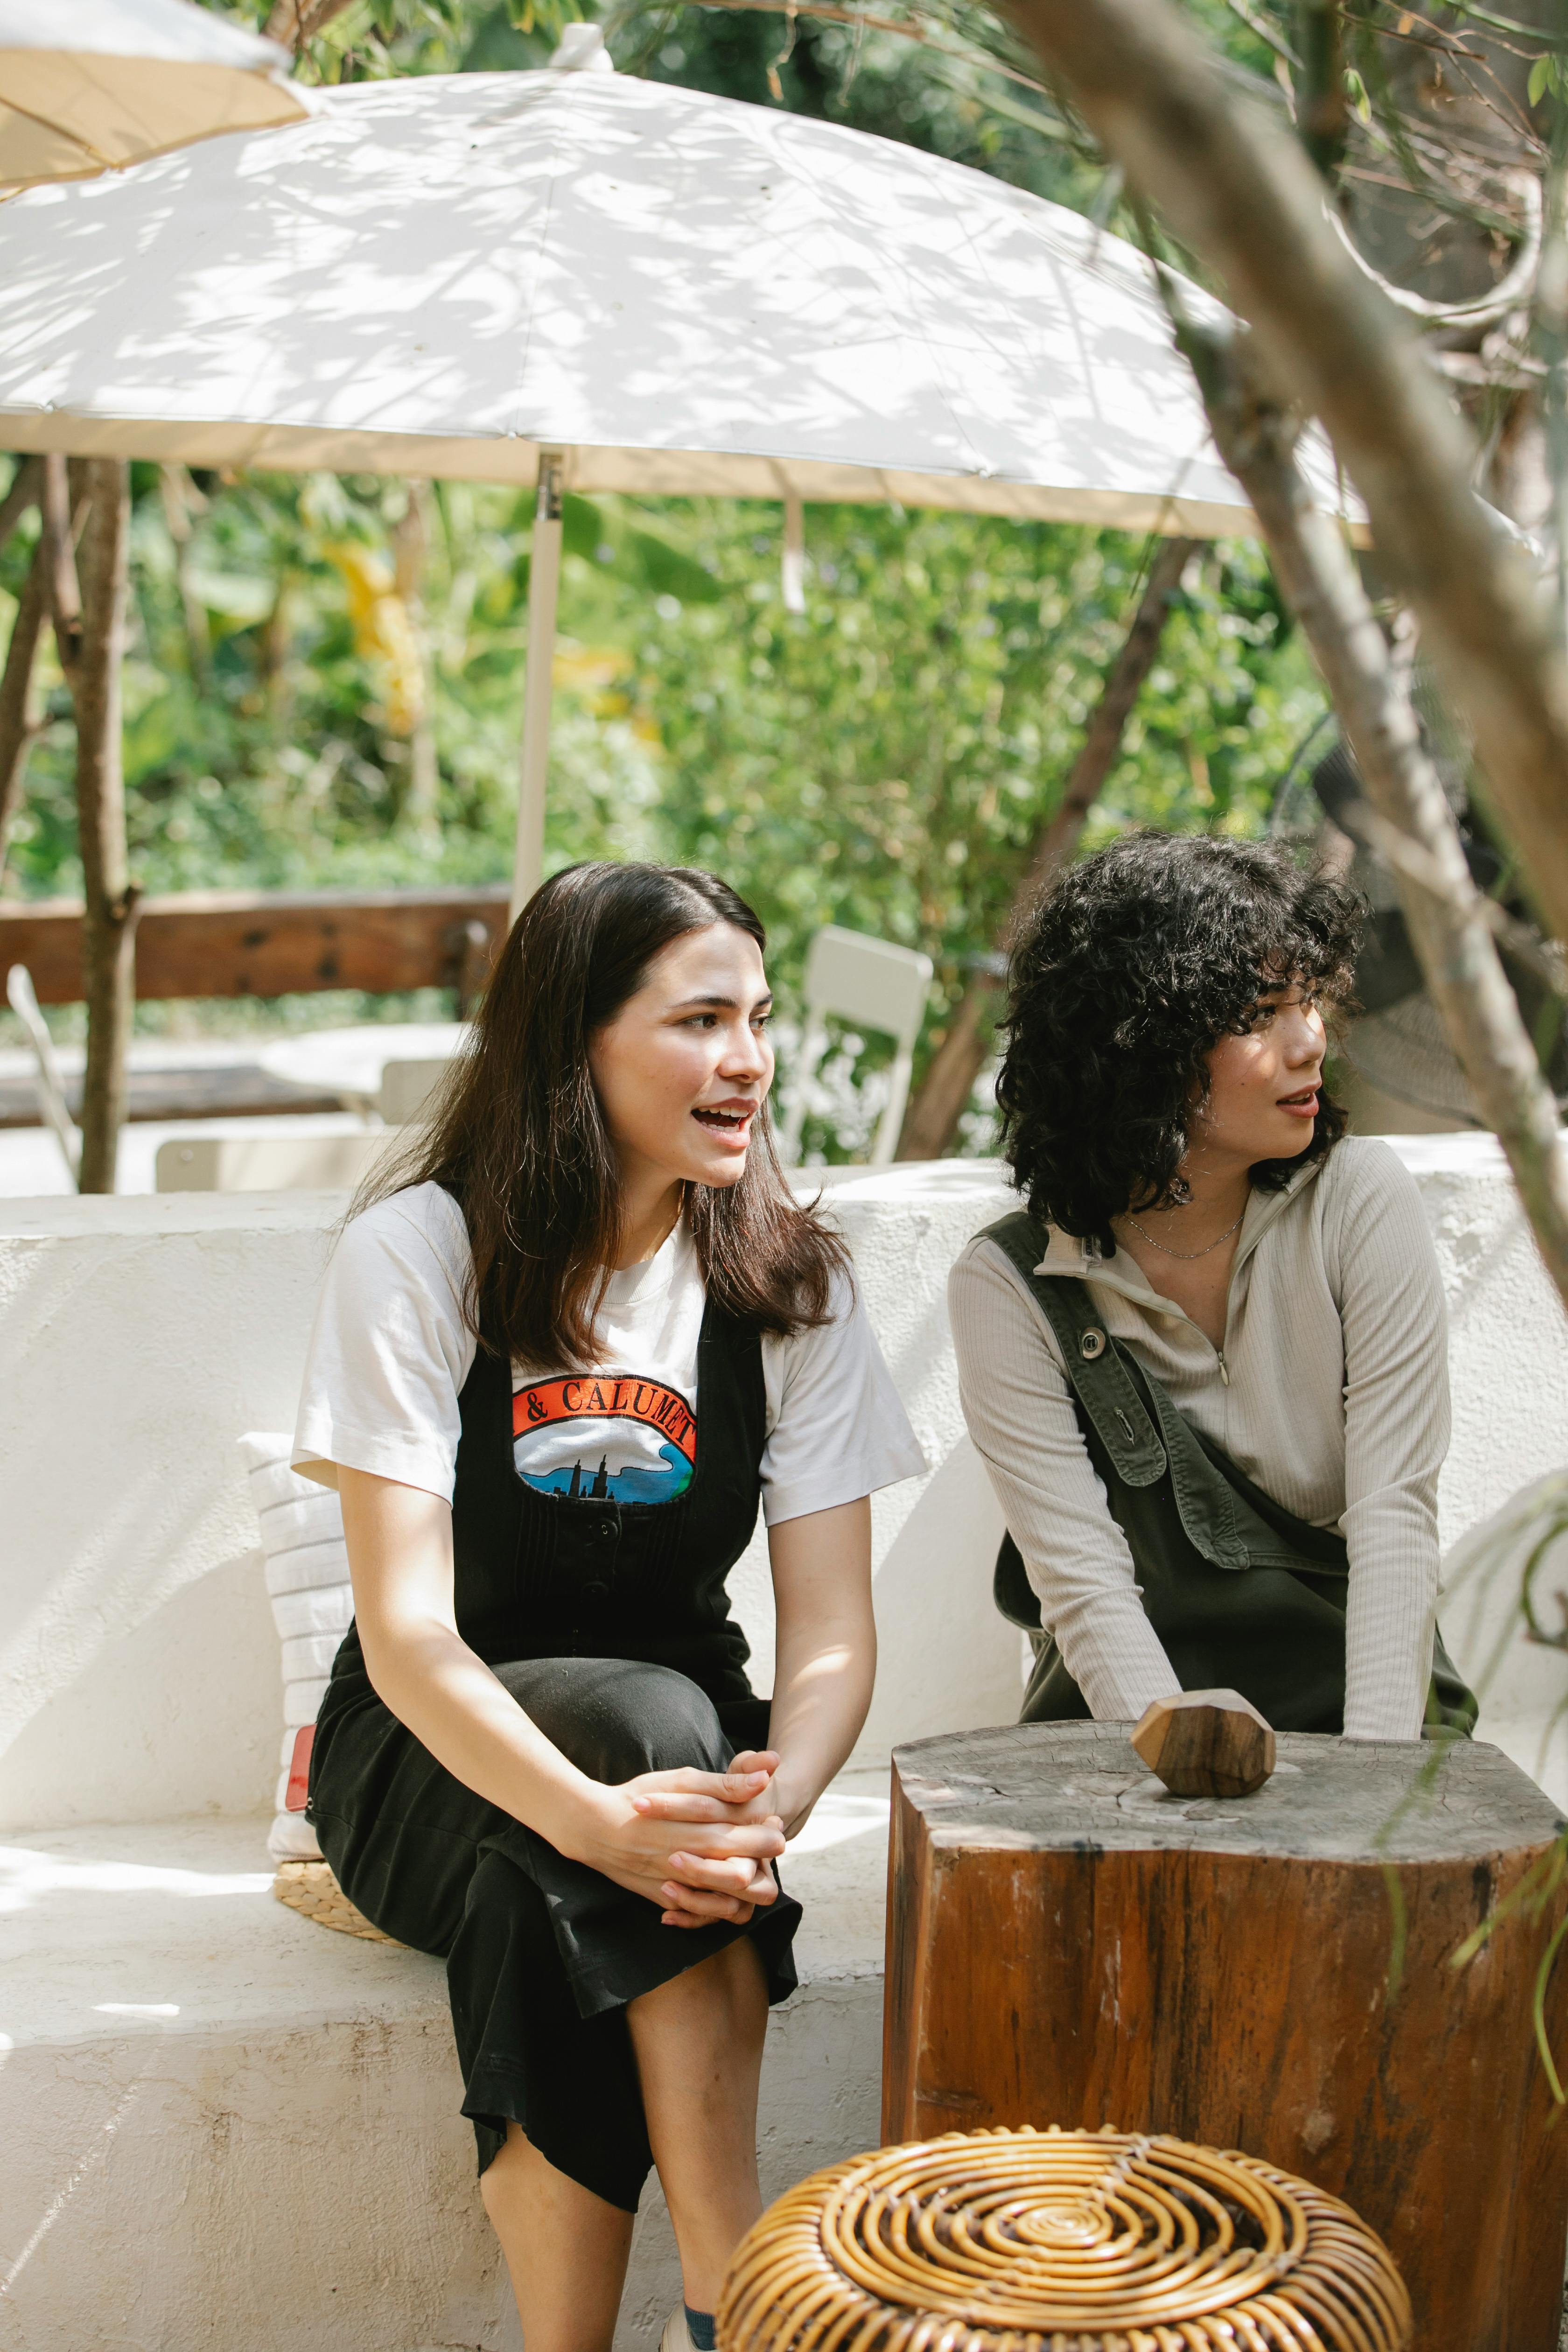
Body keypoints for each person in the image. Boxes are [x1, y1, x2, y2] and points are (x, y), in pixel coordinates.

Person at [291, 862, 924, 2352]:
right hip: (423, 1758)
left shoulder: (790, 1287)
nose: (751, 1060)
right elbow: (409, 1636)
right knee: (639, 1752)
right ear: (574, 1039)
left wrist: (772, 1809)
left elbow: (831, 1635)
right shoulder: (421, 1256)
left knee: (573, 1873)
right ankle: (742, 2285)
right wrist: (591, 1815)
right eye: (702, 1019)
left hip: (691, 1776)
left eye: (758, 1019)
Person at [949, 831, 1475, 1741]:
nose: (1311, 1040)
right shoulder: (1012, 1284)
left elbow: (1396, 1517)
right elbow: (1082, 1580)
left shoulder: (1359, 1201)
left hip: (1357, 1705)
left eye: (1309, 999)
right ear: (1141, 1047)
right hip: (1125, 1727)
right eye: (1263, 1011)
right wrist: (1179, 1757)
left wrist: (1377, 1780)